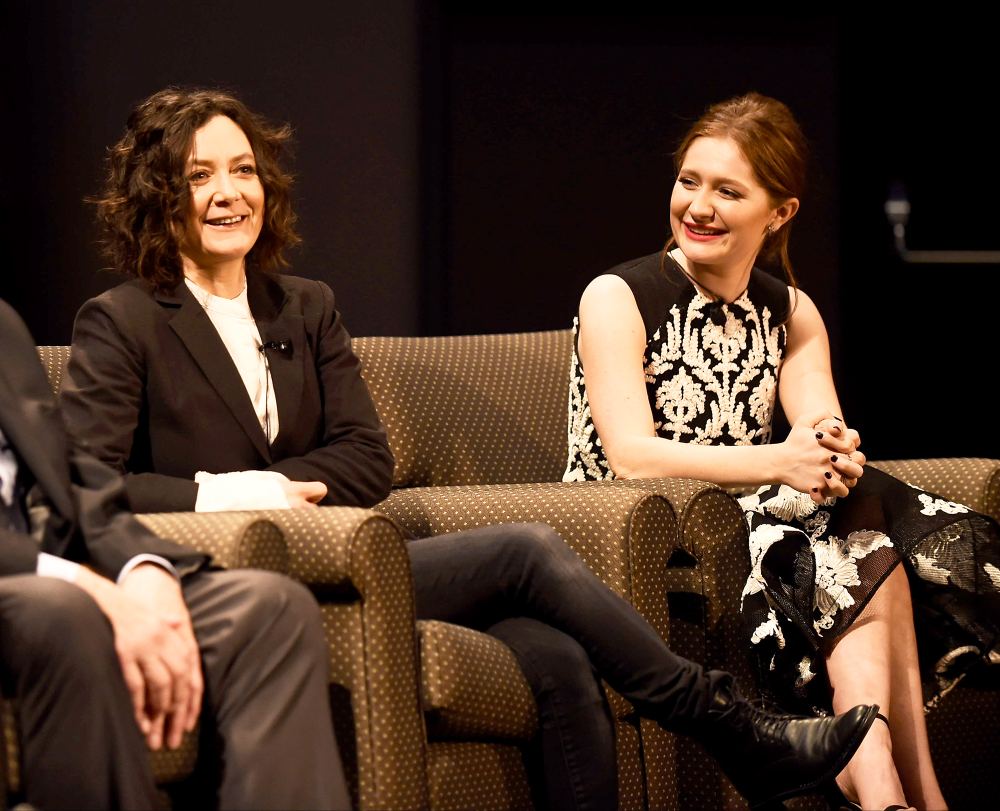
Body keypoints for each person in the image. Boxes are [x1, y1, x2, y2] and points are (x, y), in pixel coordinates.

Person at [60, 85, 880, 811]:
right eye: (201, 176)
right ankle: (734, 729)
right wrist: (237, 496)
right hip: (225, 569)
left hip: (344, 561)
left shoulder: (302, 307)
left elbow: (362, 461)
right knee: (527, 550)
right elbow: (87, 484)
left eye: (242, 170)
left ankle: (740, 741)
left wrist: (284, 488)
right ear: (160, 197)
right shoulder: (125, 320)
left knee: (554, 656)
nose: (230, 192)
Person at [564, 92, 1000, 811]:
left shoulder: (791, 312)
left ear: (780, 213)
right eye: (689, 181)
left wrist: (835, 453)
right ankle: (906, 789)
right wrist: (784, 462)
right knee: (855, 528)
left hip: (755, 524)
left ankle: (882, 782)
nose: (698, 206)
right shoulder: (617, 296)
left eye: (727, 191)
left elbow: (819, 428)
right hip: (631, 527)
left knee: (857, 514)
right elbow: (631, 457)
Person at [0, 297, 349, 810]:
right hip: (29, 581)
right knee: (66, 612)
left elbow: (72, 471)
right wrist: (82, 582)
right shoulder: (121, 319)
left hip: (56, 564)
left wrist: (144, 566)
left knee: (265, 608)